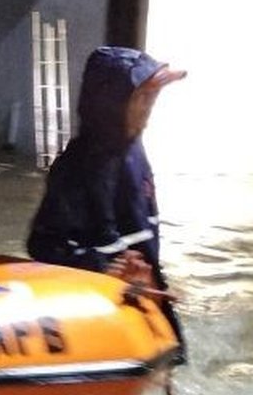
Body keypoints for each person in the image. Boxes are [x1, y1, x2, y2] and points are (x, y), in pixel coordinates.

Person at [27, 46, 187, 358]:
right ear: (111, 105)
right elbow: (43, 245)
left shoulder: (133, 151)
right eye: (142, 97)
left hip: (141, 300)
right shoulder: (76, 168)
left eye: (153, 97)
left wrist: (158, 292)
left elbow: (143, 236)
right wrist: (103, 267)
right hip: (99, 318)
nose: (150, 106)